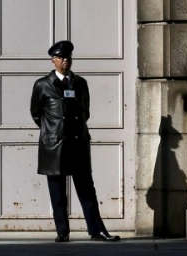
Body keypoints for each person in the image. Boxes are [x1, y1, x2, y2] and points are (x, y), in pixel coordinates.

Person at [30, 40, 121, 243]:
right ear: (53, 61)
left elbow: (85, 111)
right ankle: (62, 232)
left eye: (68, 57)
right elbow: (36, 114)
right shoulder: (42, 85)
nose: (66, 61)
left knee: (87, 190)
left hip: (78, 143)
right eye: (61, 58)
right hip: (55, 145)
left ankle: (97, 231)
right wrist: (53, 132)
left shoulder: (80, 83)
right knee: (58, 193)